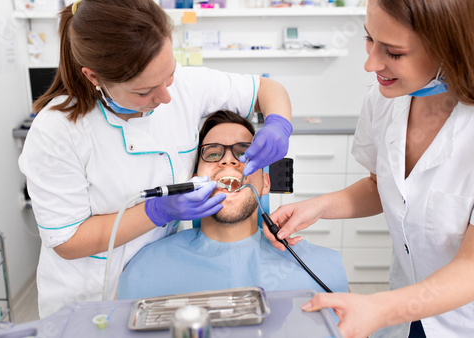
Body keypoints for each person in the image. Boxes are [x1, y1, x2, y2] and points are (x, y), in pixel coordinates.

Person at [18, 0, 293, 318]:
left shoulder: (187, 88)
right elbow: (68, 240)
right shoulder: (57, 131)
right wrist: (157, 212)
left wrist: (279, 124)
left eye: (170, 75)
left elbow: (267, 89)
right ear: (94, 77)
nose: (165, 98)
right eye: (144, 91)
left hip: (163, 282)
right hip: (91, 298)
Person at [267, 0, 474, 337]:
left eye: (393, 53)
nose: (370, 63)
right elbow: (380, 186)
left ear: (450, 49)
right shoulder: (384, 99)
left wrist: (379, 307)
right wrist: (317, 207)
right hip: (408, 309)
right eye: (369, 39)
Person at [117, 110, 348, 299]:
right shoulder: (145, 270)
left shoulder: (322, 270)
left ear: (265, 183)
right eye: (213, 153)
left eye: (245, 153)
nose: (229, 160)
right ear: (193, 180)